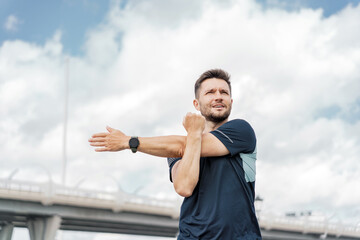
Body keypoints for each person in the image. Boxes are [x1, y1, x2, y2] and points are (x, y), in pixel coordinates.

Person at [89, 69, 262, 239]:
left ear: (230, 101)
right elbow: (184, 187)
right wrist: (194, 134)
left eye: (223, 92)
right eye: (210, 92)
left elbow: (182, 145)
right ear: (196, 104)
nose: (218, 96)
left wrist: (129, 141)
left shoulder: (242, 130)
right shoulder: (171, 148)